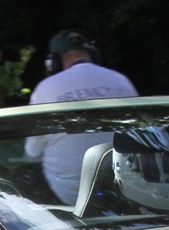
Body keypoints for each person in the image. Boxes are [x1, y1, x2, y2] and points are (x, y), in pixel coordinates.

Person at [26, 29, 137, 202]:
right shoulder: (121, 81)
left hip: (69, 196)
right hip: (125, 191)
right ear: (92, 54)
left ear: (53, 62)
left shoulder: (45, 88)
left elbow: (32, 151)